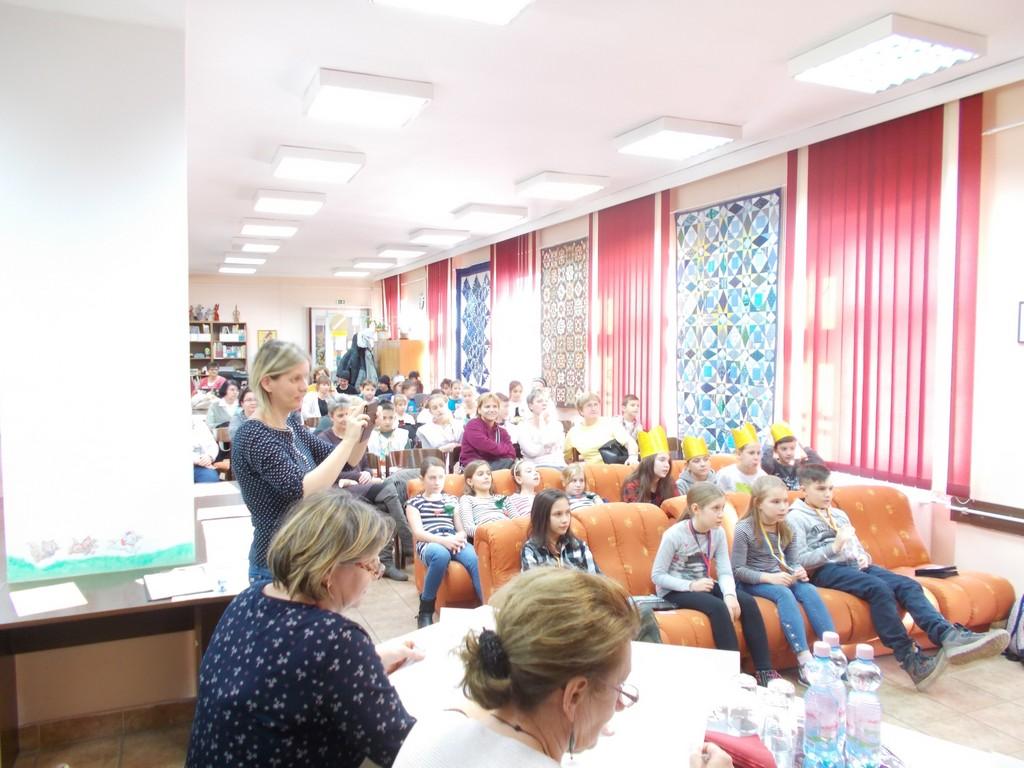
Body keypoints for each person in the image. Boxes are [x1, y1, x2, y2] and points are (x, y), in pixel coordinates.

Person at [394, 567, 732, 768]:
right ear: (573, 695)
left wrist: (581, 716)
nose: (618, 706)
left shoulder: (433, 727)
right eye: (618, 689)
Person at [186, 489, 421, 767]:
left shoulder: (248, 599)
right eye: (370, 563)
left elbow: (285, 674)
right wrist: (463, 713)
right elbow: (402, 748)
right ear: (330, 570)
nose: (375, 575)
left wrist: (369, 661)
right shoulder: (336, 640)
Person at [788, 464, 1009, 690]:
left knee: (908, 585)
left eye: (830, 488)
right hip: (826, 570)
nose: (827, 494)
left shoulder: (838, 514)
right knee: (878, 589)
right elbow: (800, 560)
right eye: (820, 489)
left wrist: (864, 556)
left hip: (855, 566)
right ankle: (910, 659)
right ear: (803, 490)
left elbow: (857, 546)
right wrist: (834, 547)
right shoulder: (796, 517)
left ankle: (947, 635)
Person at [231, 340, 371, 583]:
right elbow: (302, 490)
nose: (304, 387)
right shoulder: (254, 434)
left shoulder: (291, 424)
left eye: (305, 378)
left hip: (307, 556)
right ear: (267, 382)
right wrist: (348, 439)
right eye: (295, 379)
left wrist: (363, 429)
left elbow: (345, 462)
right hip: (277, 564)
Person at [651, 482, 780, 686]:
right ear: (696, 509)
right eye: (715, 509)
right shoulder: (675, 534)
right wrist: (690, 586)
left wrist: (730, 595)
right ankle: (734, 675)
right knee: (718, 608)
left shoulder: (717, 533)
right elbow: (657, 576)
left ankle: (764, 671)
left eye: (723, 508)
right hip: (674, 589)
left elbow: (725, 571)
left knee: (747, 602)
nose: (721, 514)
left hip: (704, 585)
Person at [521, 489, 662, 644]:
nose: (565, 519)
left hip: (587, 607)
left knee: (642, 612)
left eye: (567, 513)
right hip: (556, 614)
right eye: (558, 514)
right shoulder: (531, 550)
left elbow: (598, 581)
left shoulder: (577, 545)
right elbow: (535, 593)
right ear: (542, 517)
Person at [732, 476, 836, 685]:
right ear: (758, 503)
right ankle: (804, 660)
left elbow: (793, 562)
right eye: (775, 502)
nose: (783, 507)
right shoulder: (744, 529)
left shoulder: (787, 526)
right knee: (784, 594)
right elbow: (738, 570)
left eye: (785, 501)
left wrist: (798, 571)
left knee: (808, 589)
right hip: (753, 580)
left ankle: (833, 653)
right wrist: (769, 578)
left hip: (778, 575)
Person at [321, 397, 413, 581]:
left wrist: (367, 473)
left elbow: (364, 466)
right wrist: (356, 477)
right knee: (388, 488)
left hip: (363, 487)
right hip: (340, 489)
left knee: (384, 512)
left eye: (348, 414)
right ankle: (409, 542)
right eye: (340, 415)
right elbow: (327, 471)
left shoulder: (356, 436)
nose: (345, 419)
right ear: (331, 417)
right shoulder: (323, 439)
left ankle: (387, 562)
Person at [405, 458, 483, 628]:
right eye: (432, 478)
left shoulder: (451, 500)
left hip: (453, 539)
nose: (437, 482)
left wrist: (458, 537)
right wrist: (444, 541)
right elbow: (418, 533)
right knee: (440, 555)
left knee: (474, 559)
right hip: (430, 542)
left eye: (441, 477)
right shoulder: (414, 503)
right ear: (422, 479)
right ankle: (425, 611)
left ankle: (485, 607)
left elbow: (461, 529)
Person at [563, 392, 638, 465]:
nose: (593, 408)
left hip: (615, 468)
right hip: (591, 470)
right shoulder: (573, 433)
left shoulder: (610, 423)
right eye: (589, 405)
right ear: (581, 411)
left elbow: (629, 442)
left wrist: (633, 457)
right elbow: (567, 458)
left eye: (596, 404)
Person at [620, 427, 679, 506]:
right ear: (648, 462)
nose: (667, 465)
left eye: (668, 461)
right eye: (662, 460)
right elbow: (634, 512)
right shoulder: (632, 485)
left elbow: (676, 507)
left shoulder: (669, 482)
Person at [760, 422, 825, 491]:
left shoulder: (800, 465)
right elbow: (766, 465)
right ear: (775, 450)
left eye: (792, 448)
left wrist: (803, 445)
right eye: (784, 449)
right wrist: (770, 445)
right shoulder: (773, 466)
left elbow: (819, 465)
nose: (789, 453)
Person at [460, 393, 517, 471]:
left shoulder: (502, 432)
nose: (491, 410)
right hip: (474, 468)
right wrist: (504, 449)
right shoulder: (472, 425)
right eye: (487, 407)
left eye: (495, 406)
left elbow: (512, 453)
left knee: (514, 465)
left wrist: (496, 450)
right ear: (479, 410)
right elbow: (485, 446)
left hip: (495, 466)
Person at [458, 460, 510, 540]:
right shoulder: (467, 499)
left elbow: (518, 521)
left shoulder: (503, 498)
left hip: (509, 531)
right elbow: (469, 528)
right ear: (470, 481)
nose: (486, 477)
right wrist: (489, 533)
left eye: (488, 474)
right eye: (480, 474)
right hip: (488, 535)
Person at [517, 387, 566, 469]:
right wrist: (541, 420)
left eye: (546, 401)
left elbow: (560, 450)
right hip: (534, 468)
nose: (544, 404)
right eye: (539, 401)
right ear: (530, 406)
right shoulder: (523, 427)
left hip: (558, 465)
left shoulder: (557, 425)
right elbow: (532, 452)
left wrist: (542, 447)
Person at [716, 424, 766, 493]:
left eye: (758, 453)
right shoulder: (725, 475)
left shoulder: (763, 477)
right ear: (739, 454)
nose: (756, 457)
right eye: (751, 453)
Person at [192, 415, 222, 483]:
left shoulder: (198, 422)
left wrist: (209, 457)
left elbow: (212, 445)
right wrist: (197, 460)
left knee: (211, 478)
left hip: (201, 466)